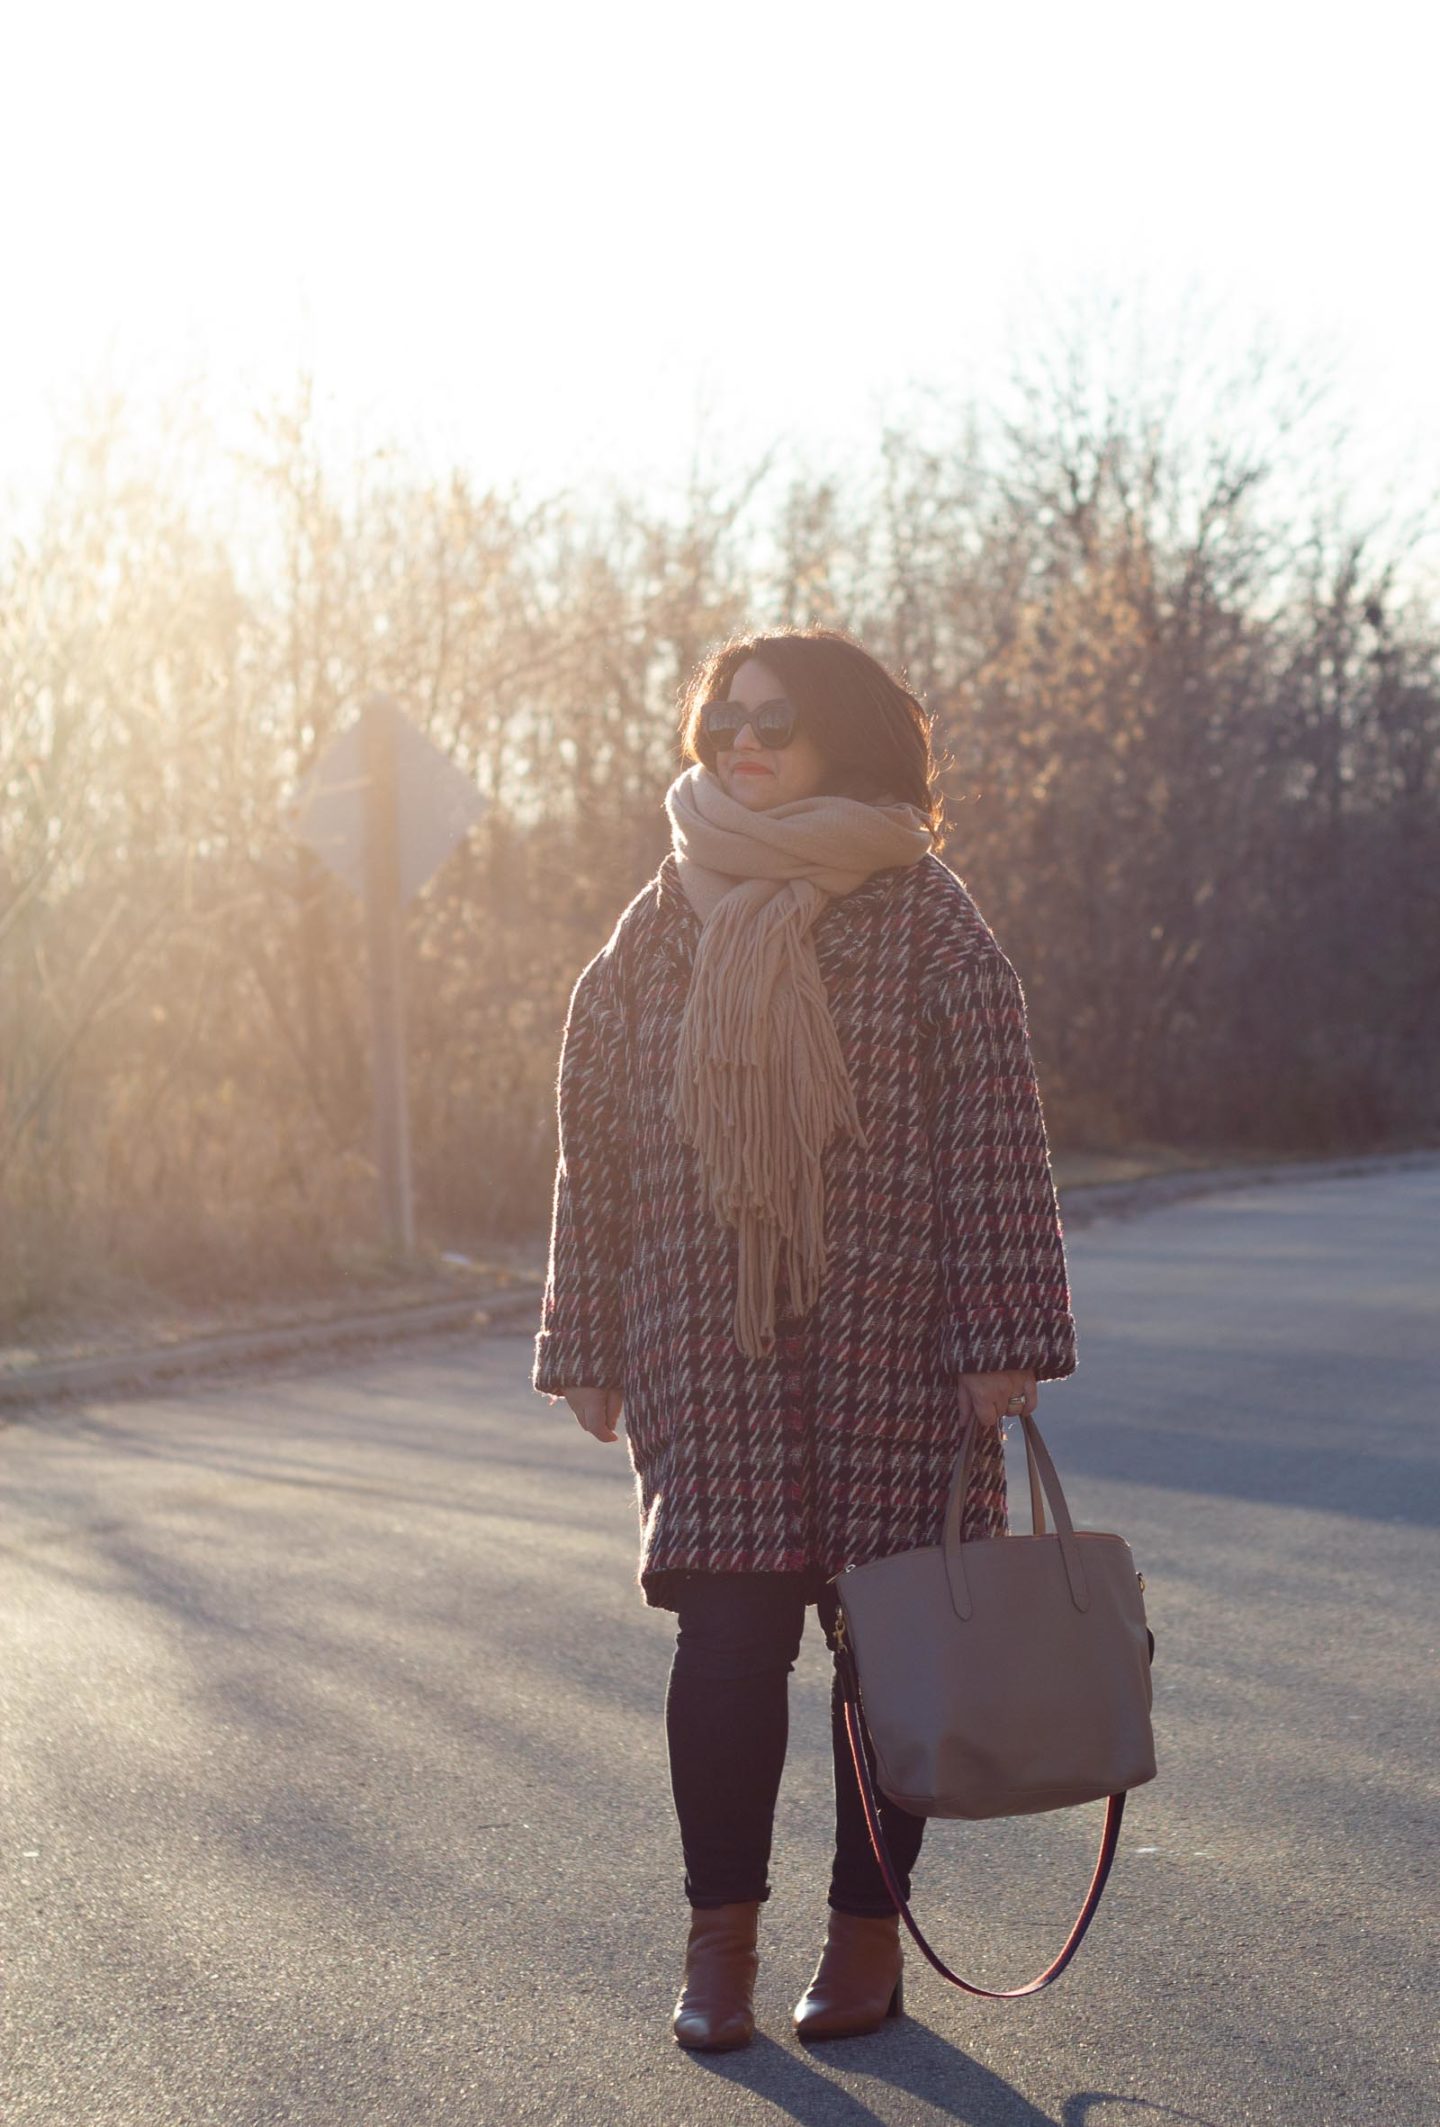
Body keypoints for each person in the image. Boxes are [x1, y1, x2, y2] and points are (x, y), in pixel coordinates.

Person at [531, 625, 1078, 2050]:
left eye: (772, 720)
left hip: (899, 1336)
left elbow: (993, 1139)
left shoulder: (925, 915)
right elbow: (595, 1143)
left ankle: (863, 1941)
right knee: (724, 1637)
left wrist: (1002, 1331)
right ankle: (719, 1946)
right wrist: (585, 1331)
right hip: (705, 1339)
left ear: (841, 733)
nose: (742, 744)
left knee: (885, 1646)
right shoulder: (656, 923)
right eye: (723, 723)